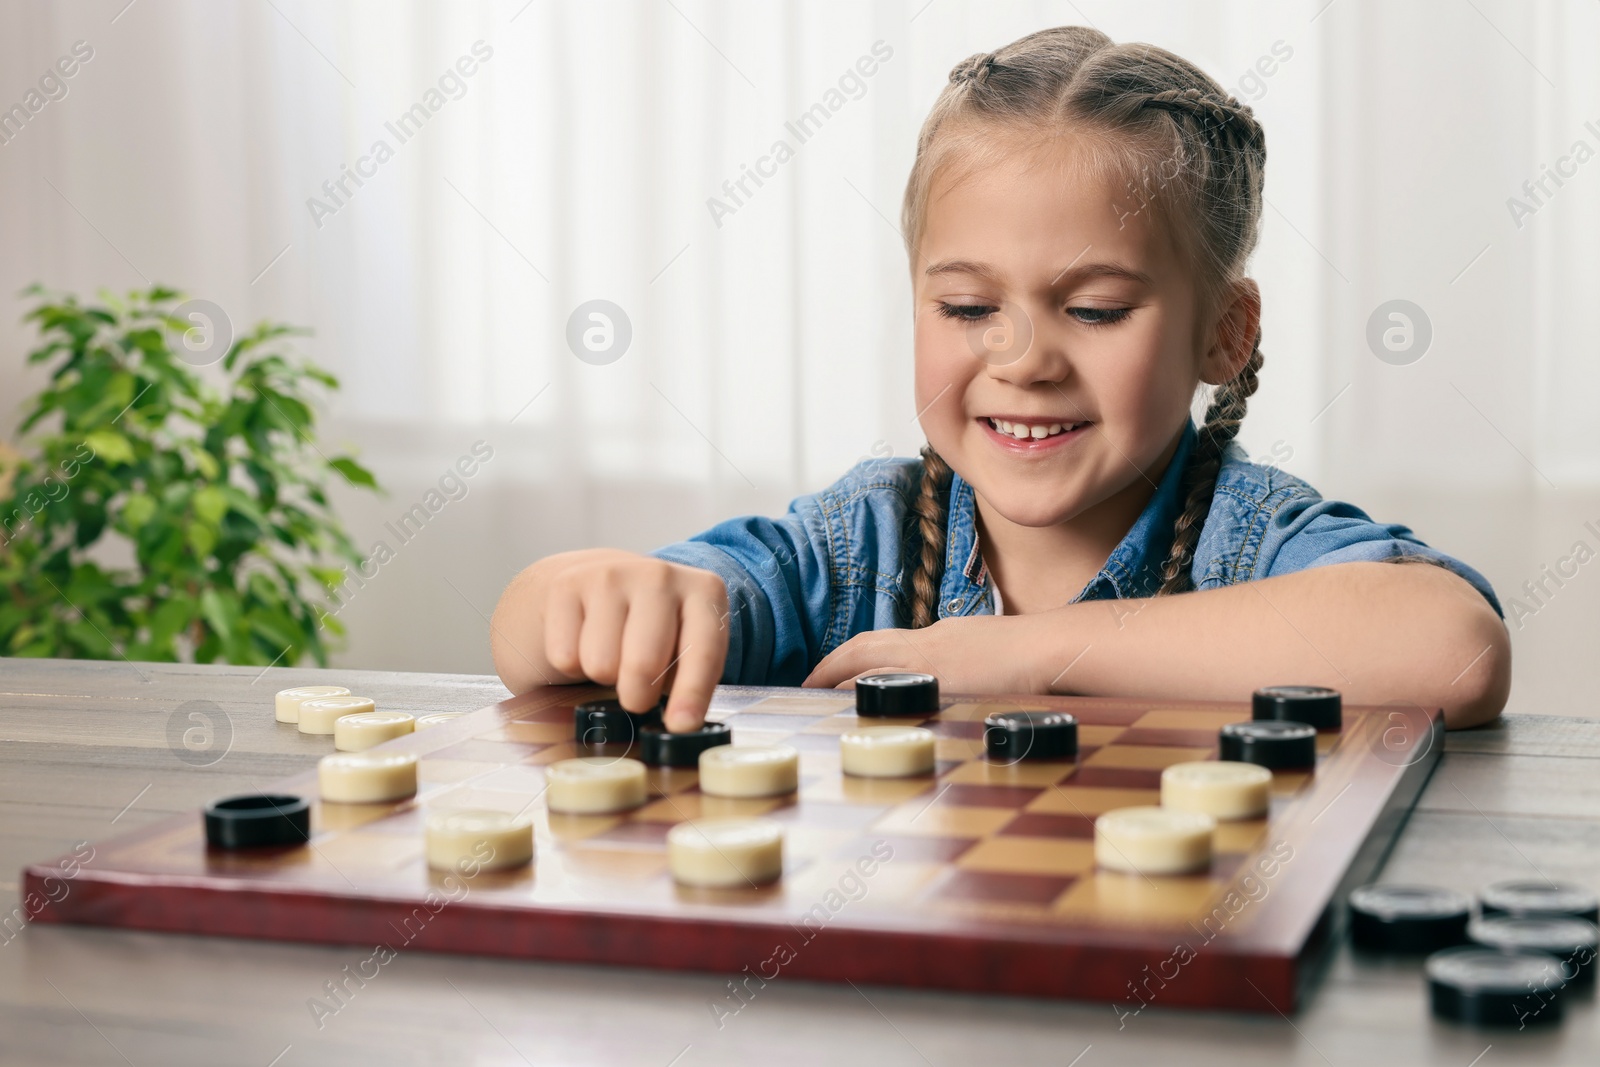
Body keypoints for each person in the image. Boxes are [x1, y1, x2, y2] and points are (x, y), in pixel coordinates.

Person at [491, 26, 1509, 733]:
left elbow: (1452, 645)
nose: (1020, 358)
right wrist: (585, 594)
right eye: (969, 308)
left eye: (1096, 308)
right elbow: (538, 635)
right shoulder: (861, 544)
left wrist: (1020, 654)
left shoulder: (1246, 538)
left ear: (1223, 333)